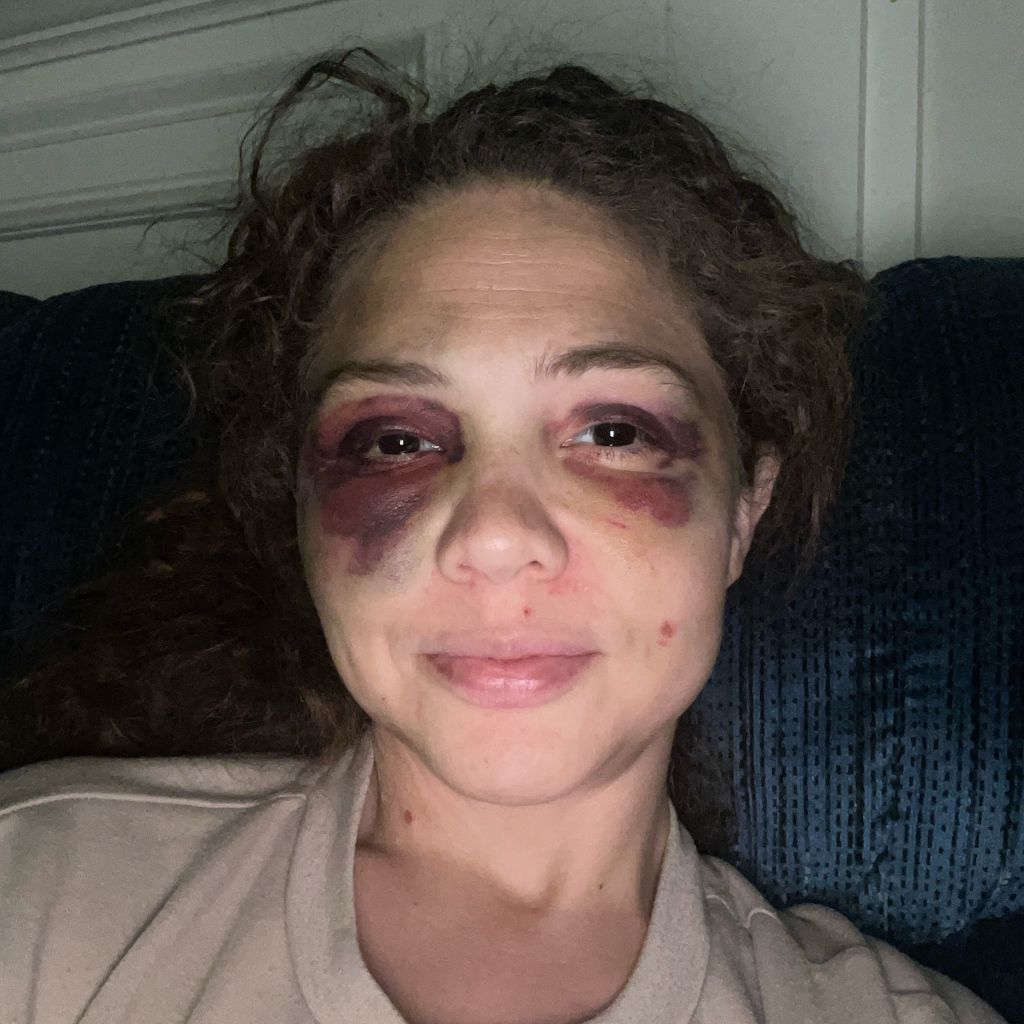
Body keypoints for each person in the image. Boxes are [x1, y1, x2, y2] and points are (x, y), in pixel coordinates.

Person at [0, 49, 1007, 1024]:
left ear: (745, 508)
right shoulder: (38, 895)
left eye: (613, 434)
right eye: (395, 442)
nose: (491, 535)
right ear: (298, 510)